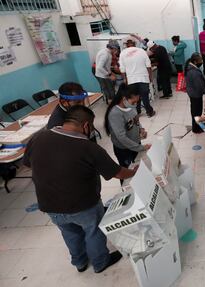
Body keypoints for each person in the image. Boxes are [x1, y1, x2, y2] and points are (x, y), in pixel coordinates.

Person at [23, 105, 137, 273]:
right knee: (93, 231)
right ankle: (100, 262)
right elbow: (118, 173)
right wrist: (134, 171)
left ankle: (80, 263)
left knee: (70, 233)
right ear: (86, 126)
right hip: (83, 204)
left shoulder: (38, 138)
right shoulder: (89, 148)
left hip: (49, 205)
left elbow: (27, 164)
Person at [104, 84, 151, 183]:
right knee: (127, 174)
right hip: (124, 149)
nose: (135, 104)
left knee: (138, 168)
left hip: (134, 144)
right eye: (133, 102)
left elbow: (135, 120)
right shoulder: (115, 113)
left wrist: (140, 130)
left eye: (137, 102)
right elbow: (121, 137)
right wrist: (141, 148)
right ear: (124, 99)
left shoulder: (130, 106)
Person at [119, 37, 156, 117]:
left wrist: (125, 80)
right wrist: (150, 77)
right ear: (135, 43)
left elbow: (122, 69)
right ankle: (149, 112)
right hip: (143, 78)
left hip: (131, 80)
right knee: (144, 96)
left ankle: (137, 112)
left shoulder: (122, 53)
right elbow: (148, 66)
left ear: (126, 44)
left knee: (135, 96)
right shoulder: (141, 51)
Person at [184, 53, 205, 133]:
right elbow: (199, 86)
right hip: (196, 94)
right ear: (195, 62)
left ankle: (197, 125)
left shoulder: (191, 68)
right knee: (197, 112)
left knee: (195, 111)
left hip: (193, 93)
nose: (201, 62)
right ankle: (196, 129)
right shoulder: (194, 72)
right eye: (200, 61)